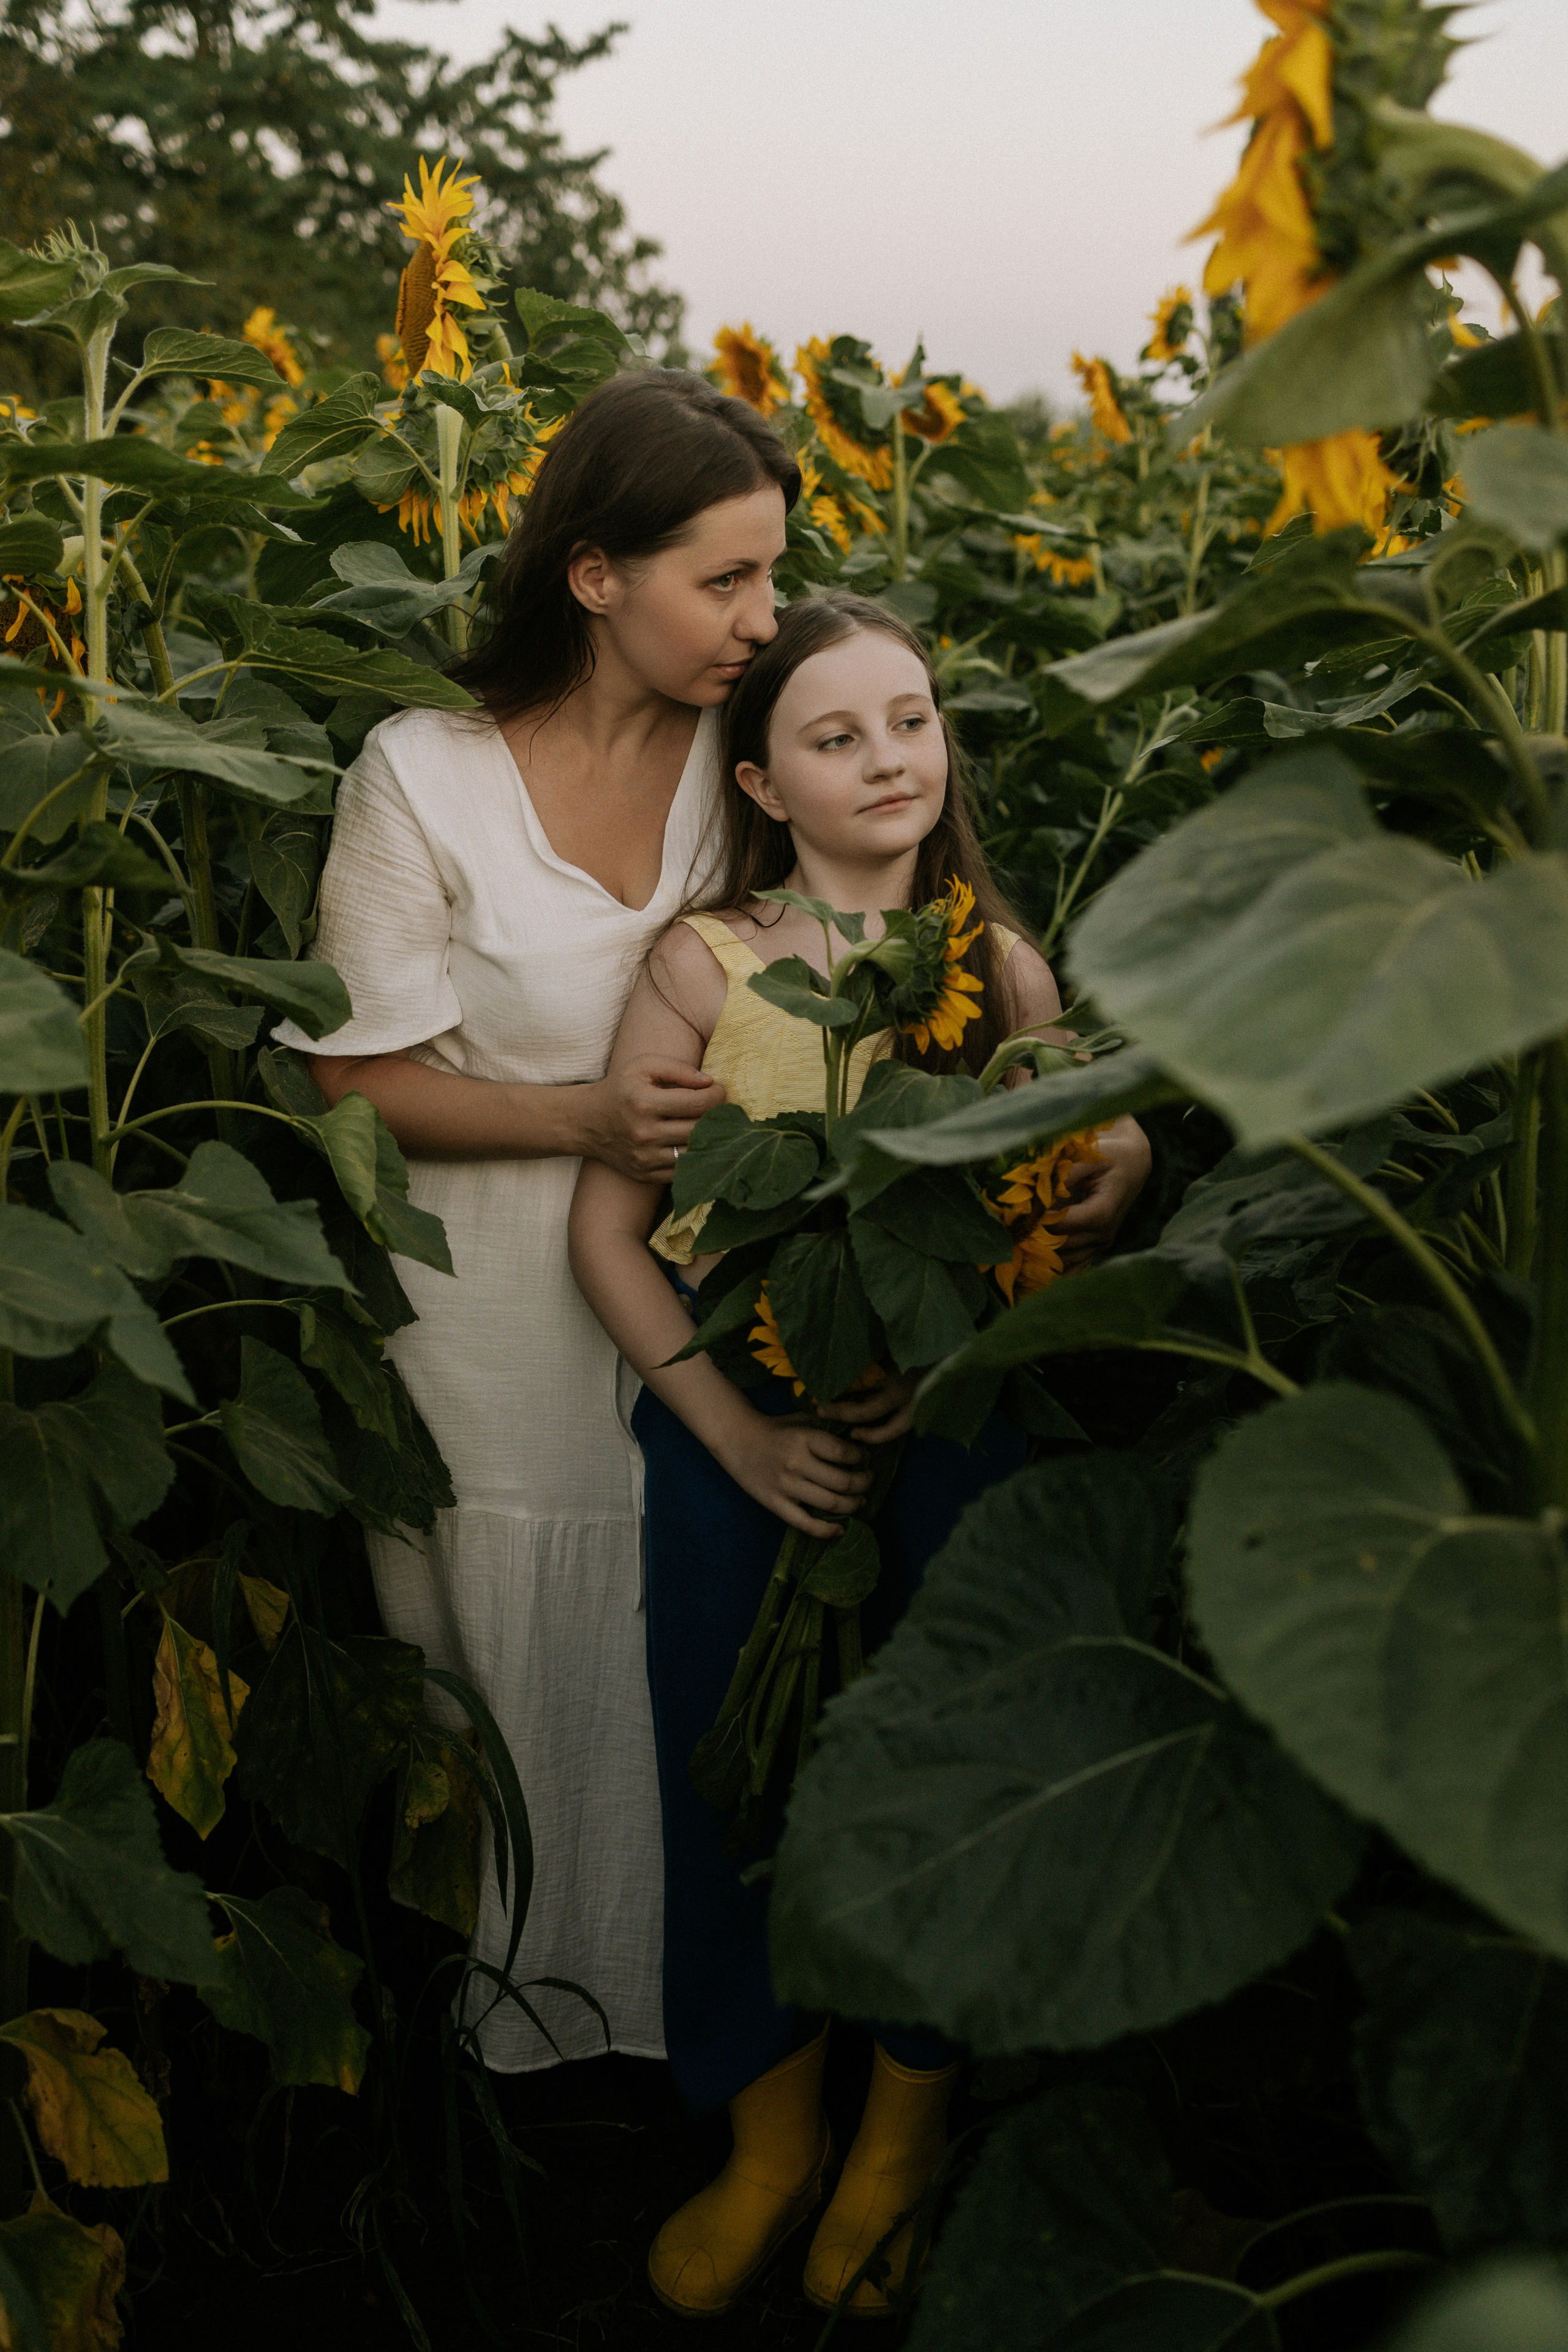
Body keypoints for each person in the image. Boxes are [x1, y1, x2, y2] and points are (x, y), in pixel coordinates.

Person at [569, 591, 1152, 2316]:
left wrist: (1114, 1159)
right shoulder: (707, 966)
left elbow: (1076, 1149)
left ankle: (903, 2131)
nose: (890, 758)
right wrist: (737, 1436)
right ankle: (771, 2142)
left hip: (950, 1427)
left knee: (939, 1765)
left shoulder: (999, 965)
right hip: (738, 1433)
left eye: (912, 720)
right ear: (762, 783)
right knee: (733, 1764)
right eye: (837, 737)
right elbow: (609, 1235)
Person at [271, 369, 801, 2071]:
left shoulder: (758, 765)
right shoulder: (426, 774)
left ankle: (693, 2048)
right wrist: (587, 1119)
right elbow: (353, 1079)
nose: (763, 619)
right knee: (508, 1665)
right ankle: (525, 2062)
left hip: (704, 1312)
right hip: (481, 1324)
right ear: (594, 575)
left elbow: (909, 927)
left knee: (690, 1649)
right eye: (726, 580)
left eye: (774, 577)